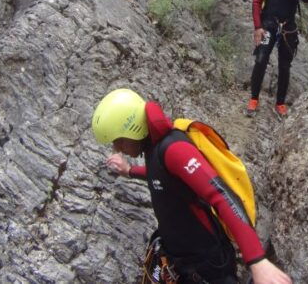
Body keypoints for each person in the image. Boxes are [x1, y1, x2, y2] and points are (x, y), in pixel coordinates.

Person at [92, 89, 292, 284]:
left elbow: (221, 195)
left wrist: (257, 261)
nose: (117, 149)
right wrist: (129, 170)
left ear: (132, 128)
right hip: (180, 260)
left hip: (208, 267)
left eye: (118, 141)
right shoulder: (153, 147)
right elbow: (161, 176)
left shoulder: (174, 149)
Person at [248, 0, 308, 117]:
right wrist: (258, 27)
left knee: (285, 66)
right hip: (269, 24)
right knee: (261, 60)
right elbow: (256, 2)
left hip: (288, 27)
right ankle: (254, 99)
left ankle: (280, 103)